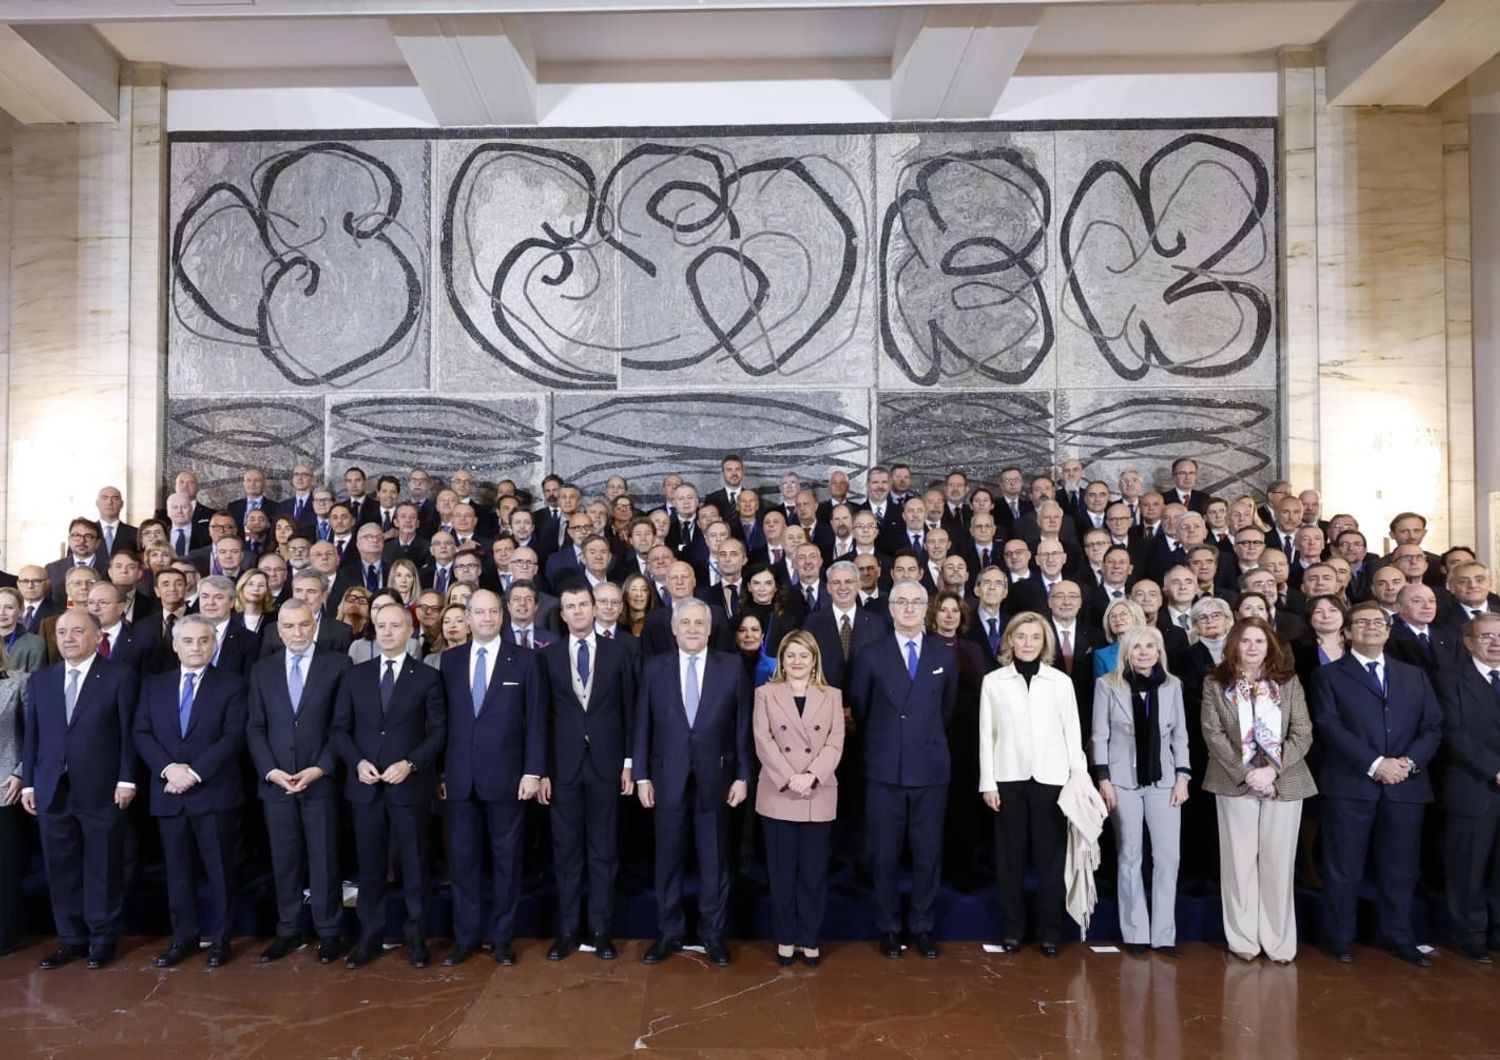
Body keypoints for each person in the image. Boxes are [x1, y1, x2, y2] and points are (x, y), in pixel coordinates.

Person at [1313, 600, 1442, 967]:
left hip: (1406, 785)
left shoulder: (1413, 675)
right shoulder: (1328, 675)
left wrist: (1408, 763)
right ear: (1348, 632)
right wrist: (1375, 764)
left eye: (1378, 622)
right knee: (1343, 868)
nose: (1371, 626)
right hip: (1352, 785)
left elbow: (1432, 727)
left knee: (1400, 868)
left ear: (1388, 631)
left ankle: (1398, 937)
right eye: (1362, 622)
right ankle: (1339, 938)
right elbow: (1329, 726)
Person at [634, 599, 752, 967]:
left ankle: (712, 935)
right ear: (673, 628)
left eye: (699, 623)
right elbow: (642, 725)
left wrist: (744, 775)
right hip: (666, 777)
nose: (691, 629)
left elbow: (742, 727)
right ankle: (669, 933)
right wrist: (640, 775)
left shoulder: (731, 667)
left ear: (710, 627)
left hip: (716, 777)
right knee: (668, 860)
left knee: (714, 860)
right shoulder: (655, 668)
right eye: (684, 622)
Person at [21, 609, 139, 969]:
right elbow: (33, 736)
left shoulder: (119, 676)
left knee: (102, 866)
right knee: (61, 868)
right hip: (52, 788)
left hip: (103, 788)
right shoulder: (41, 680)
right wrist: (28, 783)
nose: (68, 638)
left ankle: (102, 940)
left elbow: (128, 732)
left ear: (97, 636)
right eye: (62, 632)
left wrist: (126, 777)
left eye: (77, 631)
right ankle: (70, 939)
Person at [332, 602, 446, 969]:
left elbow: (438, 730)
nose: (387, 632)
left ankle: (416, 939)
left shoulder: (426, 677)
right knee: (370, 867)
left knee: (414, 866)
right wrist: (358, 762)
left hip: (408, 786)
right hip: (366, 786)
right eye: (381, 626)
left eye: (395, 626)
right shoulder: (355, 675)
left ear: (409, 631)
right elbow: (339, 729)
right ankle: (370, 938)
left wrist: (411, 764)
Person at [131, 614, 247, 968]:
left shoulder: (232, 684)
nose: (196, 647)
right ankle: (184, 939)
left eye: (203, 641)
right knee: (177, 873)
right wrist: (169, 770)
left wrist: (193, 773)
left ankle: (221, 940)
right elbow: (142, 733)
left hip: (213, 793)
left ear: (213, 645)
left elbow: (233, 737)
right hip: (169, 794)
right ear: (175, 644)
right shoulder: (154, 685)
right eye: (188, 641)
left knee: (220, 871)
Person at [850, 581, 957, 959]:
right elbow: (860, 708)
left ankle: (923, 927)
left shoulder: (941, 653)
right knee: (885, 854)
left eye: (917, 602)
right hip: (885, 769)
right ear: (890, 608)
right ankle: (889, 927)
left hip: (930, 769)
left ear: (926, 609)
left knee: (928, 854)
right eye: (902, 602)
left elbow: (947, 710)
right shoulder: (869, 654)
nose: (909, 608)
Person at [438, 589, 546, 967]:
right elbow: (443, 723)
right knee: (463, 864)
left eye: (492, 612)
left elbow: (536, 721)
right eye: (478, 612)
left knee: (506, 862)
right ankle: (465, 938)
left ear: (501, 616)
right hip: (460, 779)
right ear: (467, 618)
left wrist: (533, 771)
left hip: (508, 778)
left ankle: (501, 939)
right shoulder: (449, 661)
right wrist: (441, 772)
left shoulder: (526, 660)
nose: (485, 618)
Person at [1200, 617, 1316, 963]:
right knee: (1238, 864)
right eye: (1246, 641)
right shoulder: (1215, 683)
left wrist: (1271, 772)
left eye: (1259, 642)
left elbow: (1303, 732)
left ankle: (1279, 942)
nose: (1252, 647)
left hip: (1284, 781)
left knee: (1279, 864)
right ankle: (1243, 940)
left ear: (1271, 646)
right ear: (1234, 644)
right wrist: (1247, 773)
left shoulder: (1288, 682)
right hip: (1233, 781)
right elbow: (1213, 732)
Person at [246, 600, 352, 964]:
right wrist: (270, 770)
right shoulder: (262, 670)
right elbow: (256, 727)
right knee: (284, 860)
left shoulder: (338, 665)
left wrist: (320, 768)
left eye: (304, 625)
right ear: (279, 630)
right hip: (276, 782)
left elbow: (342, 726)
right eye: (289, 627)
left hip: (320, 781)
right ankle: (289, 930)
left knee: (324, 859)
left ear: (315, 625)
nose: (297, 633)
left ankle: (329, 932)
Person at [978, 611, 1087, 956]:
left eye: (1035, 637)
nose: (1028, 643)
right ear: (1009, 639)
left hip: (1052, 779)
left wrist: (1078, 777)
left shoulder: (1060, 682)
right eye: (1021, 636)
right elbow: (986, 734)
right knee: (1010, 859)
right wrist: (987, 782)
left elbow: (1073, 732)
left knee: (1050, 860)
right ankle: (1012, 930)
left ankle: (1050, 933)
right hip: (1008, 778)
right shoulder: (993, 681)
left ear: (1045, 642)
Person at [538, 584, 637, 961]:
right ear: (561, 615)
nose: (577, 611)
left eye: (583, 604)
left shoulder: (619, 652)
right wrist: (543, 769)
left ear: (595, 609)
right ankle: (566, 931)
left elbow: (631, 709)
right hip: (563, 769)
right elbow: (542, 719)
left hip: (607, 767)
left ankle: (601, 930)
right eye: (570, 606)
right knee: (565, 854)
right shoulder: (547, 658)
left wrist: (629, 763)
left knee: (603, 852)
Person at [1092, 626, 1191, 955]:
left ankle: (1164, 934)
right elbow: (1100, 735)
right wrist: (1103, 779)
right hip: (1122, 781)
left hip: (1165, 781)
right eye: (1137, 648)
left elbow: (1180, 736)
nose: (1145, 652)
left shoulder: (1172, 685)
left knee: (1168, 858)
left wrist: (1183, 777)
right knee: (1130, 855)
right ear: (1127, 653)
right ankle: (1135, 932)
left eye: (1151, 646)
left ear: (1160, 651)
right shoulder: (1107, 685)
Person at [754, 631, 844, 967]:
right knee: (781, 874)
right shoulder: (765, 694)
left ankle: (809, 938)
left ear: (814, 659)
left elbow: (836, 742)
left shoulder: (831, 695)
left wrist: (811, 776)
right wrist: (791, 778)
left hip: (817, 792)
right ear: (781, 659)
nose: (796, 662)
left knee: (813, 875)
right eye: (790, 655)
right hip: (780, 793)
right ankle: (785, 938)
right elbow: (763, 741)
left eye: (803, 656)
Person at [1435, 613, 1500, 961]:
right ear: (1469, 642)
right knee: (1468, 867)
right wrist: (1495, 769)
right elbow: (1453, 732)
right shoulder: (1449, 680)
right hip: (1473, 785)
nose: (1495, 642)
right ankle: (1469, 934)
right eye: (1486, 636)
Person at [0, 643, 28, 955]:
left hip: (4, 786)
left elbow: (34, 733)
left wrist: (21, 772)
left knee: (3, 868)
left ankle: (5, 935)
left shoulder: (18, 682)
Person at [1092, 598, 1148, 679]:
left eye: (1124, 614)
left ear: (1136, 618)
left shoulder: (1151, 649)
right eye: (1113, 616)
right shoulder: (1102, 655)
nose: (1118, 619)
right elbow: (1101, 689)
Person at [733, 611, 778, 687]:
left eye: (755, 630)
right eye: (742, 630)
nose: (749, 635)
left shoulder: (775, 667)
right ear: (736, 636)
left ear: (762, 635)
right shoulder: (724, 667)